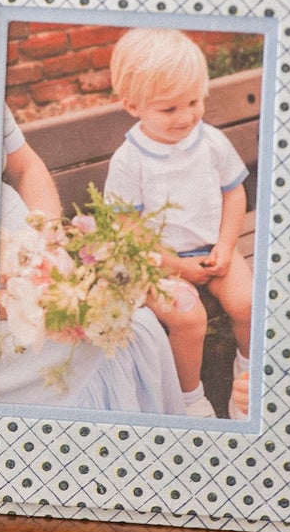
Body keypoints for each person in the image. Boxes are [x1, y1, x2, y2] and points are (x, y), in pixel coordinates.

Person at [0, 101, 185, 417]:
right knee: (117, 334)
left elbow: (26, 167)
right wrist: (18, 301)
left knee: (135, 326)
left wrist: (49, 239)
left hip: (42, 273)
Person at [103, 27, 253, 418]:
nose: (186, 117)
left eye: (193, 102)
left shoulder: (212, 142)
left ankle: (247, 379)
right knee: (189, 316)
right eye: (169, 109)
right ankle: (190, 399)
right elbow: (127, 232)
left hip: (213, 248)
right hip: (156, 263)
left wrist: (225, 245)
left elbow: (232, 193)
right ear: (133, 106)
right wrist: (177, 266)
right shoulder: (129, 159)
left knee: (249, 303)